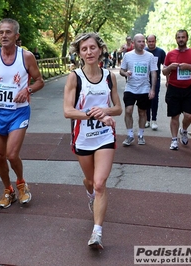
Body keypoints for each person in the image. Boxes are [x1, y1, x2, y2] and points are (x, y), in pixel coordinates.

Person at [0, 18, 44, 208]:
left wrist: (27, 90)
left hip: (18, 113)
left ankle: (21, 184)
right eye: (1, 32)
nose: (4, 35)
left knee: (12, 154)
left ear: (16, 35)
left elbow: (39, 81)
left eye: (8, 32)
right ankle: (8, 190)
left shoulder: (26, 56)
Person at [63, 32, 122, 249]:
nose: (89, 52)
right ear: (79, 53)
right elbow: (68, 111)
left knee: (100, 184)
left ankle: (97, 233)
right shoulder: (74, 77)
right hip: (83, 138)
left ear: (100, 50)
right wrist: (95, 114)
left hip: (105, 136)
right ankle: (90, 194)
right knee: (90, 182)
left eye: (92, 48)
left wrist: (105, 111)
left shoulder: (109, 76)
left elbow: (118, 108)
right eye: (84, 49)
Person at [162, 29, 191, 150]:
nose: (181, 39)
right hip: (174, 88)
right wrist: (170, 67)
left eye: (183, 37)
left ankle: (184, 130)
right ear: (176, 39)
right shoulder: (170, 54)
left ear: (187, 38)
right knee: (174, 116)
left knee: (189, 116)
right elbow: (164, 71)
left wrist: (189, 67)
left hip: (188, 88)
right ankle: (174, 140)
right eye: (179, 37)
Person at [120, 34, 157, 146]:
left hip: (144, 88)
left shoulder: (150, 56)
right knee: (128, 110)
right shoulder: (128, 55)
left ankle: (140, 135)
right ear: (134, 43)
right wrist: (125, 73)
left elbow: (153, 73)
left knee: (142, 112)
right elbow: (122, 70)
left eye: (143, 42)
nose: (142, 44)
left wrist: (152, 89)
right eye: (139, 41)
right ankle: (130, 135)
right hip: (130, 87)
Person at [144, 34, 166, 130]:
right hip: (144, 80)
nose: (151, 43)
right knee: (146, 99)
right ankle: (147, 120)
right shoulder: (143, 51)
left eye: (153, 41)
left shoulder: (160, 52)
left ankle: (154, 120)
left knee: (154, 99)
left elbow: (165, 66)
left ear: (155, 41)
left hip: (155, 80)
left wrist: (168, 79)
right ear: (147, 42)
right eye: (149, 41)